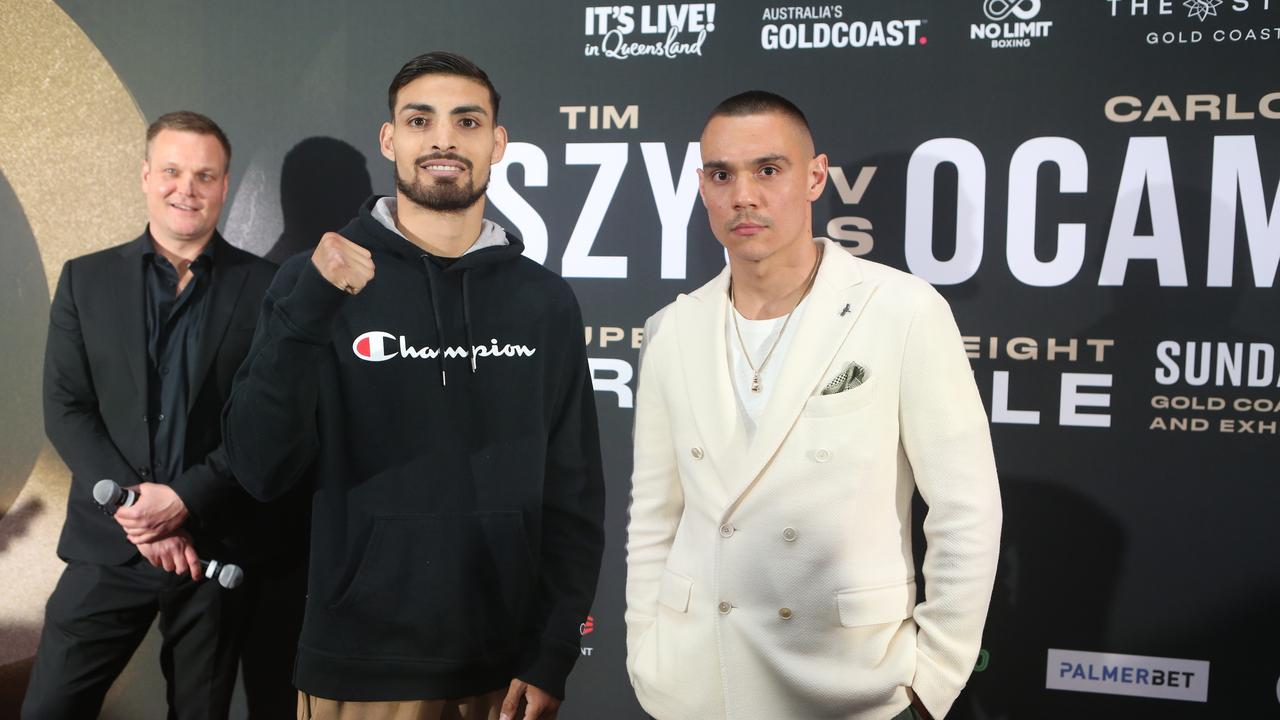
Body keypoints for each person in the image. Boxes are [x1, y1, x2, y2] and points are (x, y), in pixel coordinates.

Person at [221, 51, 606, 720]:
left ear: (497, 143)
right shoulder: (313, 283)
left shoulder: (543, 300)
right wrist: (312, 305)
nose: (443, 140)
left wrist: (552, 650)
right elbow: (258, 467)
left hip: (506, 671)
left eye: (466, 121)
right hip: (362, 669)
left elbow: (573, 494)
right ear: (390, 139)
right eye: (420, 119)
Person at [624, 91, 1002, 720]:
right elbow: (654, 516)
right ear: (702, 186)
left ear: (815, 177)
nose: (743, 195)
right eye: (722, 174)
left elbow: (966, 508)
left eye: (767, 170)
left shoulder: (902, 310)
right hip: (695, 685)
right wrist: (646, 648)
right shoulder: (671, 328)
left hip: (848, 685)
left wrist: (931, 680)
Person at [26, 111, 280, 719]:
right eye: (171, 170)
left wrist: (185, 499)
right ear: (145, 175)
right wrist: (137, 512)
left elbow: (270, 426)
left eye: (204, 174)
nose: (185, 188)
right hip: (107, 547)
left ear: (224, 185)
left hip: (212, 550)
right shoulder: (85, 280)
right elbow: (67, 408)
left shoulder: (270, 288)